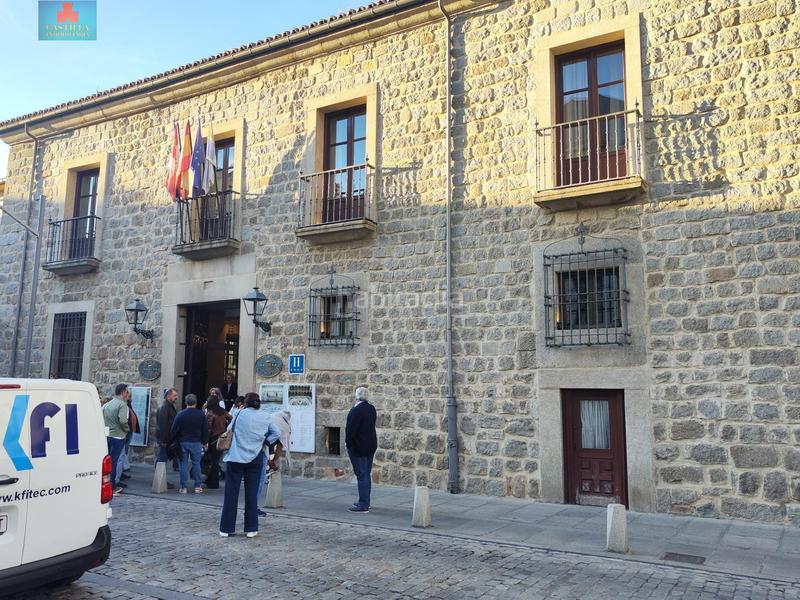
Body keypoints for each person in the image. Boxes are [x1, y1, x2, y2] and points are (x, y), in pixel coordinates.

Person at [219, 392, 271, 538]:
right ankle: (252, 528)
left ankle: (227, 528)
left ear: (246, 403)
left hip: (236, 455)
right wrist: (264, 441)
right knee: (252, 492)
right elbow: (276, 432)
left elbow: (229, 429)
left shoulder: (239, 413)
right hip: (256, 456)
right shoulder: (266, 416)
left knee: (231, 492)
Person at [345, 386, 377, 513]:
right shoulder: (371, 408)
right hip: (370, 445)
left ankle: (363, 504)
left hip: (359, 447)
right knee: (366, 474)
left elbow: (350, 431)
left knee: (362, 475)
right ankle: (365, 501)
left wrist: (349, 444)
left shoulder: (355, 411)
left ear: (356, 396)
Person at [170, 394, 209, 494]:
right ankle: (197, 486)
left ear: (185, 402)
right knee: (196, 464)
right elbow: (205, 430)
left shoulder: (180, 414)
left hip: (183, 441)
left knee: (183, 464)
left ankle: (183, 487)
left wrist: (173, 439)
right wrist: (205, 442)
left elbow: (173, 429)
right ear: (196, 402)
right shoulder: (201, 415)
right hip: (196, 442)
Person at [256, 410, 291, 517]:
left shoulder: (269, 417)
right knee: (260, 478)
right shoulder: (284, 426)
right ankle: (253, 508)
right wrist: (274, 461)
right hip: (261, 449)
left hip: (252, 447)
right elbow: (280, 446)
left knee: (252, 479)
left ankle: (251, 507)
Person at [102, 384, 131, 495]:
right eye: (127, 392)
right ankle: (112, 487)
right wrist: (126, 430)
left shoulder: (107, 404)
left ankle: (104, 484)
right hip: (118, 436)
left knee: (106, 462)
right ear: (123, 392)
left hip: (107, 435)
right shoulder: (122, 405)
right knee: (113, 463)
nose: (128, 394)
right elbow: (123, 420)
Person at [205, 397, 232, 489]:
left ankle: (213, 482)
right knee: (216, 460)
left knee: (213, 461)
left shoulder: (210, 413)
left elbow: (208, 428)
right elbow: (231, 418)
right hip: (222, 437)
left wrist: (206, 440)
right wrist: (226, 429)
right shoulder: (223, 412)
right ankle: (213, 480)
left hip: (213, 438)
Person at [156, 388, 179, 488]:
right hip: (164, 438)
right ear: (168, 396)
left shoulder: (169, 407)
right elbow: (163, 425)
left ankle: (161, 480)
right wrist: (164, 440)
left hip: (166, 437)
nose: (176, 397)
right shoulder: (164, 408)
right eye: (174, 396)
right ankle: (160, 481)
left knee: (162, 459)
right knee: (161, 459)